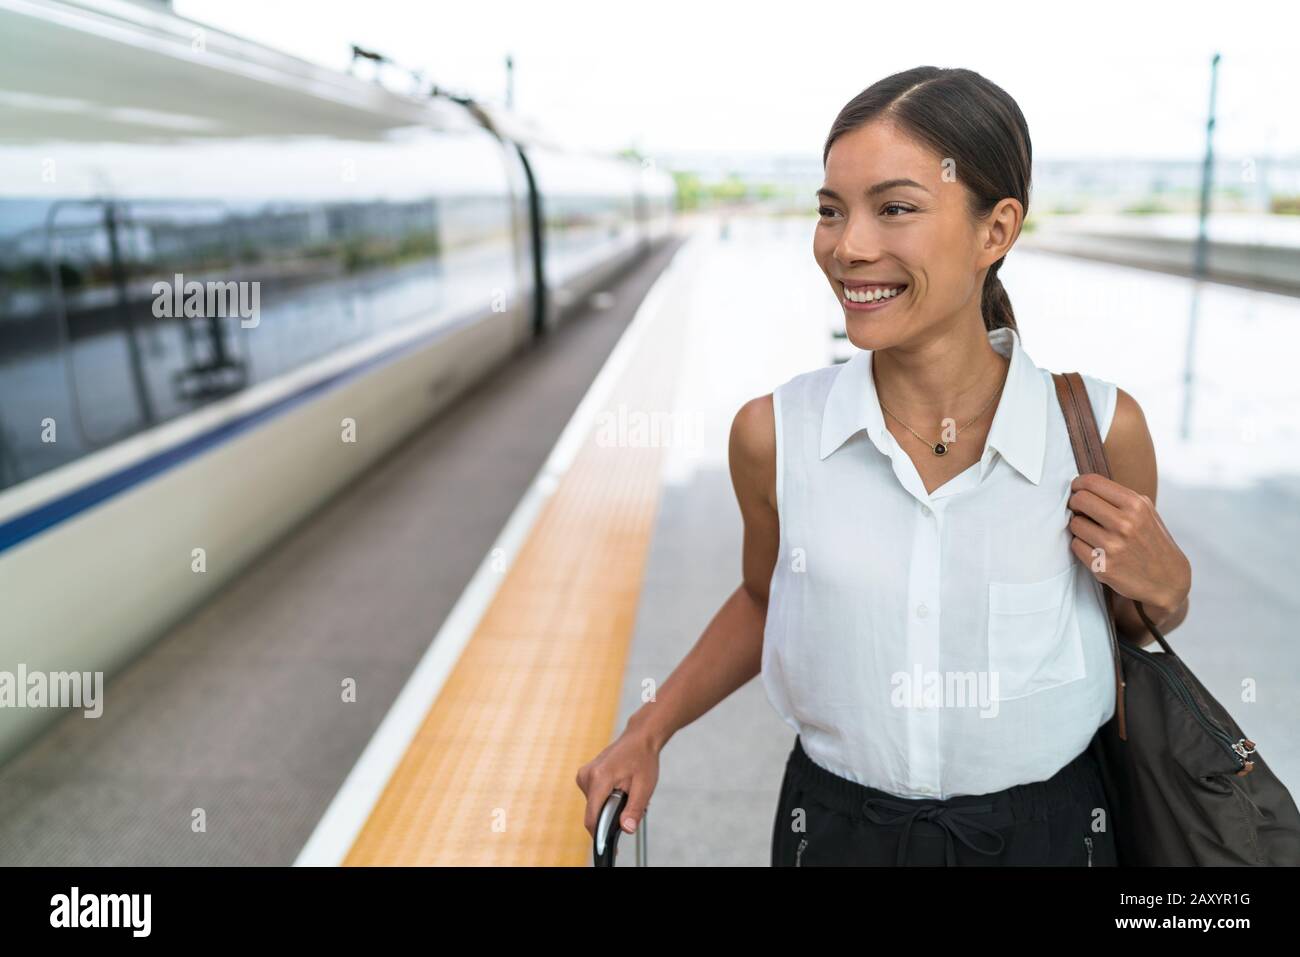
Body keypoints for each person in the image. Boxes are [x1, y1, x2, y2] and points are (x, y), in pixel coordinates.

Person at [575, 66, 1192, 866]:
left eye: (894, 208)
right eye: (831, 210)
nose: (849, 246)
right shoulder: (775, 435)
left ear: (995, 231)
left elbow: (1130, 624)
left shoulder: (1100, 433)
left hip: (1054, 836)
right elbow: (767, 597)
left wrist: (1169, 590)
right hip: (834, 835)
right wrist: (647, 729)